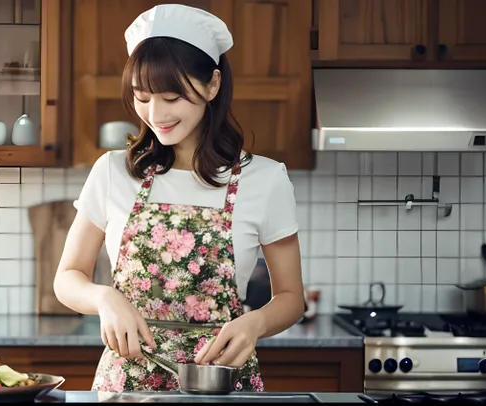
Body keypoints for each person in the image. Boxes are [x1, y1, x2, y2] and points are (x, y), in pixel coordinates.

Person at [53, 3, 304, 393]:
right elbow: (67, 278)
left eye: (171, 98)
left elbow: (290, 297)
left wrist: (255, 323)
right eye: (142, 97)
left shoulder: (266, 179)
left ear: (212, 85)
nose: (155, 114)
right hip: (127, 385)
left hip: (222, 381)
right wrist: (105, 299)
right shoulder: (112, 172)